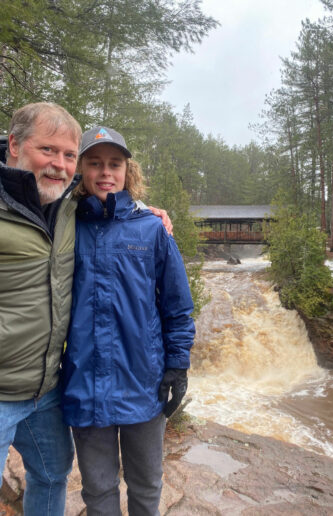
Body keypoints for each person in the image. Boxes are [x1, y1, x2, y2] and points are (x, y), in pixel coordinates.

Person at [0, 103, 172, 515]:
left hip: (48, 389)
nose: (59, 165)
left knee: (51, 475)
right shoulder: (65, 211)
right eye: (48, 150)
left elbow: (115, 210)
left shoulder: (68, 209)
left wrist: (149, 212)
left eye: (67, 155)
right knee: (92, 486)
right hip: (19, 387)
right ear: (14, 145)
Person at [60, 126, 195, 515]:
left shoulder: (152, 228)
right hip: (85, 385)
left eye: (114, 164)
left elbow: (176, 306)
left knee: (147, 485)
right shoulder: (66, 225)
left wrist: (178, 363)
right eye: (95, 163)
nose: (106, 172)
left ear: (127, 170)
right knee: (98, 490)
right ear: (80, 169)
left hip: (143, 384)